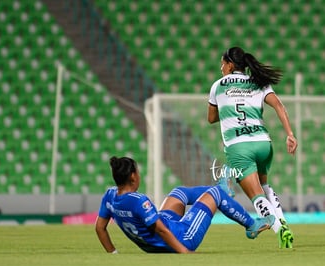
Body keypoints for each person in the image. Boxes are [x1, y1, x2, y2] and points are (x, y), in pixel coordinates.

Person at [207, 46, 298, 248]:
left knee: (256, 195)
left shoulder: (218, 86)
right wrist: (290, 134)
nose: (221, 67)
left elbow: (211, 118)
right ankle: (283, 222)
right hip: (263, 144)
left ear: (230, 65)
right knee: (264, 187)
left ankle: (278, 228)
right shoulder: (258, 82)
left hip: (239, 147)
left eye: (222, 63)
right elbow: (279, 106)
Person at [95, 156, 275, 254]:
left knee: (178, 192)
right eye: (138, 172)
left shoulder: (110, 196)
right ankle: (251, 225)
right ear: (133, 176)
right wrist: (183, 251)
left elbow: (100, 228)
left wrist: (113, 253)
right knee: (215, 195)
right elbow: (161, 230)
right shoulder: (139, 201)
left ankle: (221, 192)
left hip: (156, 239)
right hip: (181, 237)